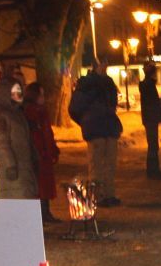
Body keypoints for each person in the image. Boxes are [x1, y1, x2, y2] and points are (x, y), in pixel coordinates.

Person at [68, 60, 123, 207]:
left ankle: (109, 194)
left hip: (108, 126)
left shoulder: (107, 82)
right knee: (97, 165)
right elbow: (75, 108)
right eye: (103, 63)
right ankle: (98, 196)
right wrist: (86, 120)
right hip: (97, 127)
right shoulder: (87, 84)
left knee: (110, 163)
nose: (105, 66)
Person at [0, 63, 40, 203]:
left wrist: (34, 156)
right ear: (6, 93)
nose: (19, 94)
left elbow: (27, 139)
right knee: (19, 202)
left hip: (24, 168)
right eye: (15, 91)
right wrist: (10, 164)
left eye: (20, 91)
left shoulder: (18, 113)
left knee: (27, 200)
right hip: (13, 173)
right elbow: (1, 142)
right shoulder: (2, 115)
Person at [21, 83, 60, 222]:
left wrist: (53, 148)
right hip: (38, 154)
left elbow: (47, 133)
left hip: (45, 153)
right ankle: (41, 214)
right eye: (41, 94)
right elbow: (35, 136)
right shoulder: (30, 113)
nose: (43, 97)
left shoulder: (41, 111)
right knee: (40, 186)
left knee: (46, 185)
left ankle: (46, 212)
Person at [139, 62, 161, 179]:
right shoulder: (148, 85)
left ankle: (153, 170)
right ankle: (153, 171)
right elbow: (153, 103)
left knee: (153, 145)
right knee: (153, 145)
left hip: (149, 118)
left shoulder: (146, 84)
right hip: (151, 118)